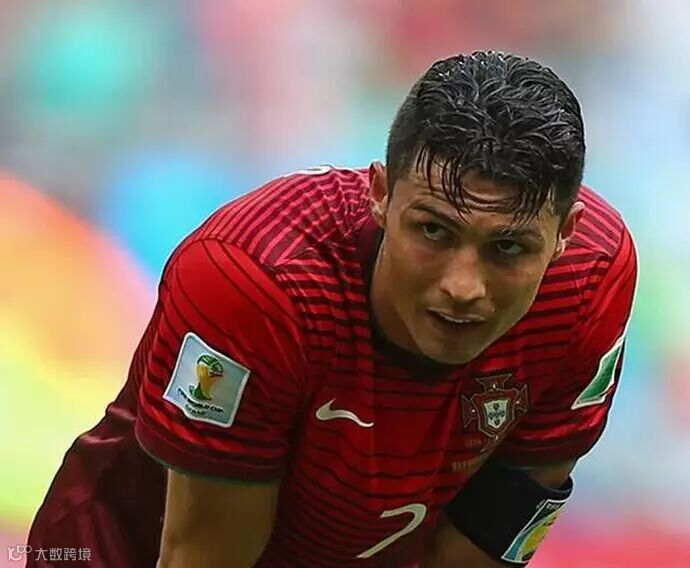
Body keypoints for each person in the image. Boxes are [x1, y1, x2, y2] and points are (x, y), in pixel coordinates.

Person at [27, 50, 637, 567]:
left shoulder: (591, 284)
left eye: (508, 248)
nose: (463, 286)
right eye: (432, 231)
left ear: (565, 233)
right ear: (380, 195)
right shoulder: (254, 284)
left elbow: (505, 517)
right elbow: (206, 553)